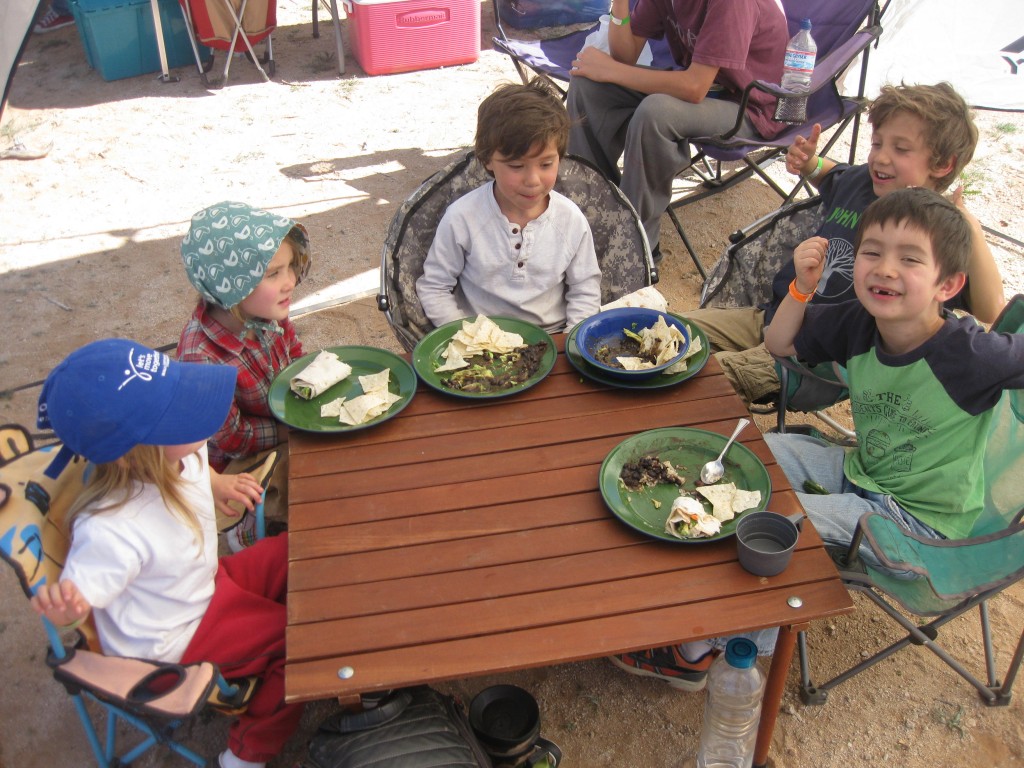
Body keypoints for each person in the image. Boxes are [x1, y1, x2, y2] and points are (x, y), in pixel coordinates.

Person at [612, 188, 1024, 691]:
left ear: (949, 284)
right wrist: (802, 289)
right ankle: (681, 566)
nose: (885, 269)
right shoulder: (861, 322)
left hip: (918, 523)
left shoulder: (971, 354)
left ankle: (701, 648)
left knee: (773, 523)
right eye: (872, 251)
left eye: (910, 259)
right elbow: (780, 343)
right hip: (863, 473)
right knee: (752, 459)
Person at [30, 339, 303, 768]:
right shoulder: (112, 527)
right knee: (300, 647)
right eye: (179, 415)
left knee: (297, 552)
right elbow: (82, 595)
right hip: (177, 635)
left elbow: (196, 468)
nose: (198, 422)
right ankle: (247, 753)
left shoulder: (176, 455)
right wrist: (67, 607)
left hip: (203, 582)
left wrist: (218, 484)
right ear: (131, 455)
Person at [680, 82, 1006, 408]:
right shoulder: (864, 182)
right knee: (669, 332)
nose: (881, 157)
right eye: (877, 143)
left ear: (942, 164)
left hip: (819, 360)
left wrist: (969, 224)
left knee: (701, 381)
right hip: (774, 316)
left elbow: (991, 308)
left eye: (901, 149)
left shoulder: (935, 233)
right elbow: (834, 174)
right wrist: (810, 163)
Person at [566, 0, 788, 257]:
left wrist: (612, 71)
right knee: (587, 83)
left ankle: (635, 244)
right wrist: (621, 5)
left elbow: (694, 87)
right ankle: (592, 210)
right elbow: (625, 55)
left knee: (657, 112)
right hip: (707, 92)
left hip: (750, 107)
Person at [415, 78, 602, 334]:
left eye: (546, 164)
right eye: (516, 166)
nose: (533, 180)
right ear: (487, 160)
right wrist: (465, 337)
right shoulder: (463, 217)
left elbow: (585, 290)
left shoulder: (570, 220)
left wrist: (574, 341)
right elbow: (434, 287)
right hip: (481, 340)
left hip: (553, 338)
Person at [178, 201, 311, 546]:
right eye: (273, 274)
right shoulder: (202, 358)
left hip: (285, 419)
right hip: (239, 460)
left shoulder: (268, 312)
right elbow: (232, 438)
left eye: (290, 268)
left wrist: (309, 389)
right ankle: (247, 529)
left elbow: (294, 353)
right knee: (304, 485)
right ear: (230, 286)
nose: (290, 282)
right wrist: (289, 428)